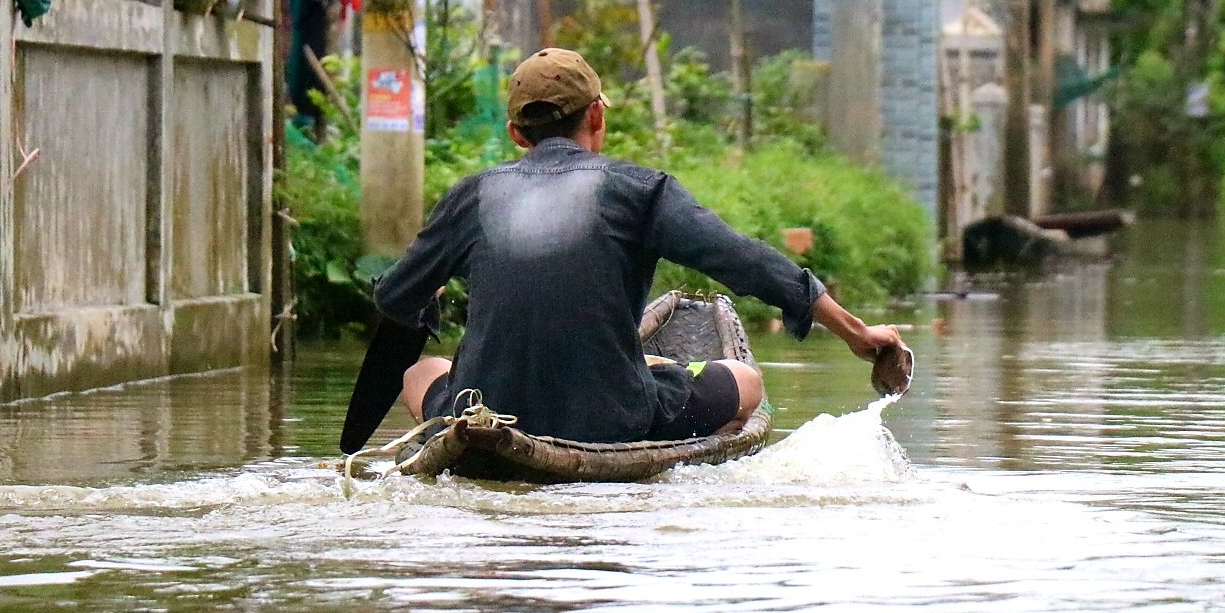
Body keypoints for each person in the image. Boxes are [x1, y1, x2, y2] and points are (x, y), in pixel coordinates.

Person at [370, 47, 904, 443]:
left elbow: (395, 296)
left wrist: (430, 298)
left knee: (420, 371)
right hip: (612, 418)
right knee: (746, 380)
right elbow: (744, 261)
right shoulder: (641, 192)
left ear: (516, 134)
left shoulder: (472, 196)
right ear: (598, 116)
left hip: (485, 410)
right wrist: (857, 333)